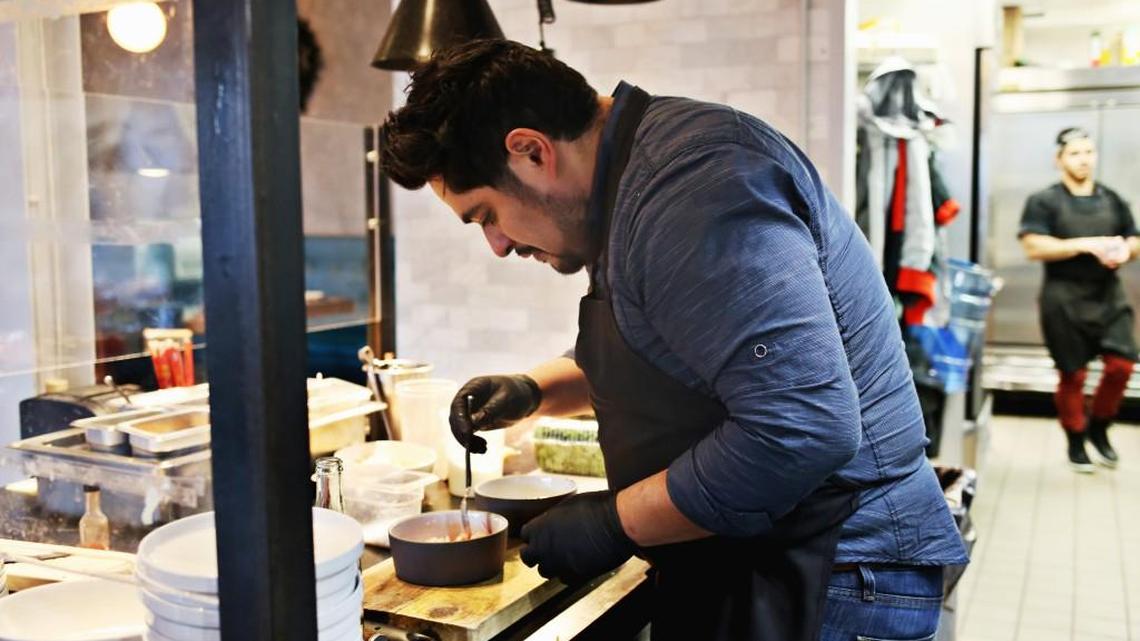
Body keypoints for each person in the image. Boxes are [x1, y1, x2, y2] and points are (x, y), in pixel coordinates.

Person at [379, 40, 967, 641]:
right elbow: (676, 348)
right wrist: (532, 391)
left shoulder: (695, 192)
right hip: (767, 560)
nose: (498, 245)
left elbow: (801, 427)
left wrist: (615, 523)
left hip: (833, 574)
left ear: (531, 152)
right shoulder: (633, 182)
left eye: (485, 215)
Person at [1019, 127, 1138, 472]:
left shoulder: (1113, 198)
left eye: (1088, 152)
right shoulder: (1044, 201)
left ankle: (1100, 426)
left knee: (1122, 365)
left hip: (1108, 293)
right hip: (1063, 296)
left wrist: (1122, 249)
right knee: (1073, 374)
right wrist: (1085, 245)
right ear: (1059, 160)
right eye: (1074, 153)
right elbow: (1032, 246)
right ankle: (1076, 438)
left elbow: (1135, 240)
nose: (1083, 159)